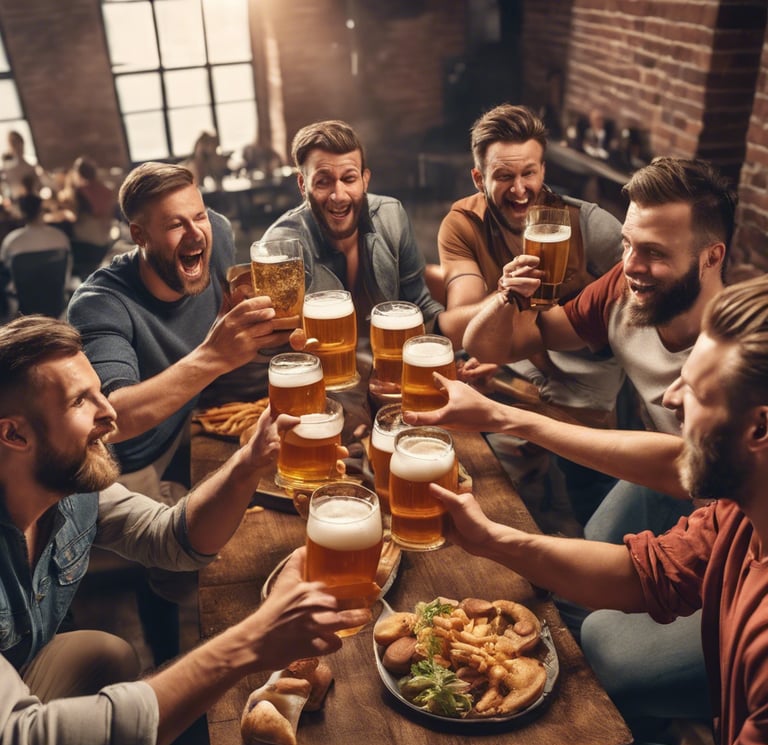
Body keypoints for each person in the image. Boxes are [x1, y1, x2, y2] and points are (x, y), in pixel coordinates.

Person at [0, 314, 368, 745]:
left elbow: (172, 538)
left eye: (100, 390)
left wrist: (250, 462)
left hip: (15, 704)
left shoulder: (69, 487)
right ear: (13, 435)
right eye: (81, 402)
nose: (110, 413)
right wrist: (253, 639)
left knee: (111, 661)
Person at [438, 273, 768, 745]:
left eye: (696, 393)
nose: (670, 398)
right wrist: (493, 540)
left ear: (759, 428)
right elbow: (645, 574)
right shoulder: (743, 510)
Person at [458, 157, 736, 724]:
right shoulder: (624, 290)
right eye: (629, 243)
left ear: (713, 257)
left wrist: (514, 419)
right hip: (674, 482)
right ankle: (606, 715)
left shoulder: (742, 355)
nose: (632, 265)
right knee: (571, 597)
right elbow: (500, 345)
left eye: (655, 252)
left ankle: (651, 738)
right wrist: (508, 295)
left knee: (609, 642)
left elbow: (691, 467)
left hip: (741, 526)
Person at [435, 103, 626, 528]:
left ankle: (584, 533)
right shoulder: (463, 223)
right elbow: (458, 318)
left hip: (585, 376)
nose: (520, 189)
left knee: (595, 504)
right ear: (478, 177)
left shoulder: (590, 224)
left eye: (530, 174)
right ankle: (523, 530)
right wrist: (502, 298)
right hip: (514, 366)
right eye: (504, 176)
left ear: (543, 169)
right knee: (477, 468)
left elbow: (646, 293)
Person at [67, 160, 300, 504]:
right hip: (132, 466)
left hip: (191, 422)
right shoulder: (100, 303)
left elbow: (225, 301)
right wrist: (214, 356)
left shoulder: (215, 233)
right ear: (139, 236)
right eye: (176, 224)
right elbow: (113, 418)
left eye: (199, 216)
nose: (195, 234)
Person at [260, 119, 444, 438]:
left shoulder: (391, 215)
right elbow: (274, 349)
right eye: (323, 182)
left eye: (349, 178)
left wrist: (461, 353)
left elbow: (421, 305)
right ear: (302, 185)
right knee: (360, 439)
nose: (339, 195)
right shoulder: (281, 248)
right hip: (327, 385)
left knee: (447, 431)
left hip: (397, 372)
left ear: (365, 179)